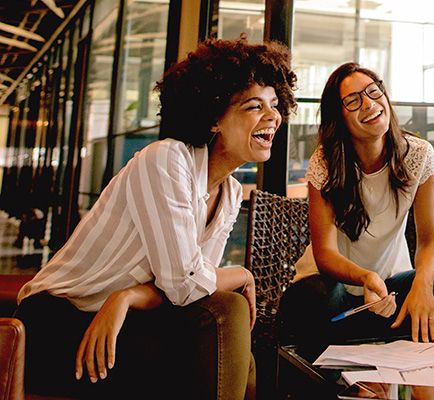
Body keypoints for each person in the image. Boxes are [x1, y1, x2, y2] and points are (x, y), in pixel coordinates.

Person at [14, 36, 297, 399]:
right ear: (213, 117)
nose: (272, 116)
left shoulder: (227, 193)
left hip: (124, 318)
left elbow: (192, 292)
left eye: (274, 105)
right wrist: (242, 274)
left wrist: (127, 297)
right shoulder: (166, 160)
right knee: (227, 314)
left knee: (227, 333)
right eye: (253, 106)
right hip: (57, 323)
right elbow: (186, 285)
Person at [278, 62, 434, 348]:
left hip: (388, 294)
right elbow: (324, 253)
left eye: (373, 92)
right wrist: (366, 278)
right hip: (334, 295)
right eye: (353, 101)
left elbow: (429, 241)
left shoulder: (419, 155)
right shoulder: (326, 162)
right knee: (312, 294)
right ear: (338, 116)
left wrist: (422, 285)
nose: (369, 104)